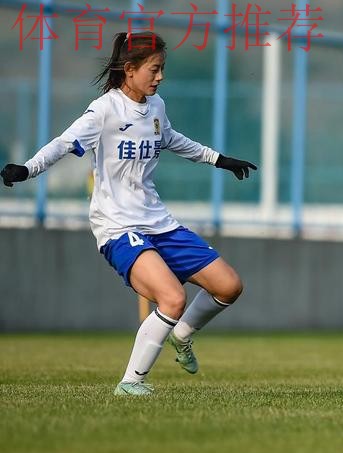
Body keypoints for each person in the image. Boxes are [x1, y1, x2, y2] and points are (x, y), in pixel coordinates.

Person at [1, 32, 257, 396]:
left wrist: (218, 159)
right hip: (118, 227)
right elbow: (63, 143)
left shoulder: (156, 106)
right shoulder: (104, 110)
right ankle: (131, 383)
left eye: (162, 68)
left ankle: (182, 335)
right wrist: (28, 169)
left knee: (229, 286)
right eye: (154, 69)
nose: (160, 77)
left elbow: (171, 139)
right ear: (130, 69)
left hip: (159, 222)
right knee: (172, 298)